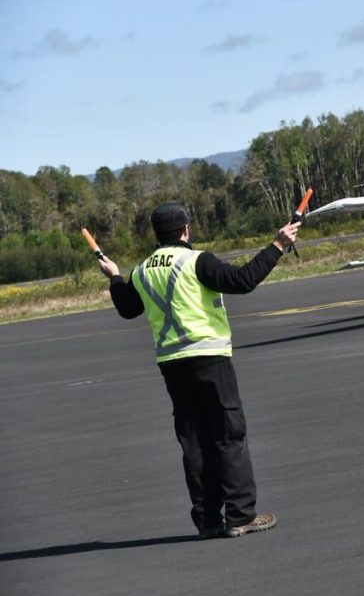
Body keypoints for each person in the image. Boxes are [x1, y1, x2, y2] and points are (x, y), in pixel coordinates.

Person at [98, 202, 300, 539]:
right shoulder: (196, 260)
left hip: (172, 365)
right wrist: (278, 245)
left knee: (193, 440)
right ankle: (239, 515)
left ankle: (207, 520)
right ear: (185, 231)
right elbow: (243, 279)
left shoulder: (143, 269)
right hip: (208, 356)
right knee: (228, 434)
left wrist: (116, 277)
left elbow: (128, 308)